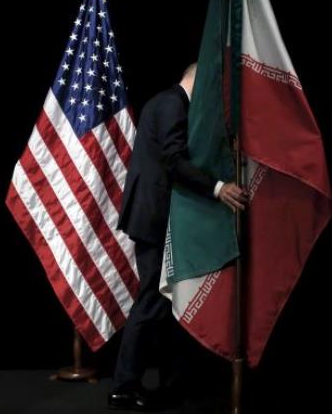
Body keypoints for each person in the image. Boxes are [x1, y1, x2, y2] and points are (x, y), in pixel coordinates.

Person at [108, 63, 247, 410]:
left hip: (157, 216)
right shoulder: (172, 103)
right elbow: (174, 161)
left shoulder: (168, 103)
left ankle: (167, 381)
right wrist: (217, 188)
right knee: (152, 301)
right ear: (195, 80)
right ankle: (123, 386)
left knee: (164, 303)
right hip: (153, 217)